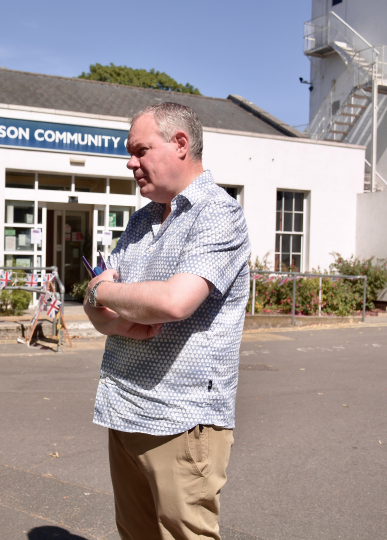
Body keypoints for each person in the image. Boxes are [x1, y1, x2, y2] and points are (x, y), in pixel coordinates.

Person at [84, 103, 251, 540]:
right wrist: (113, 317)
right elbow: (96, 309)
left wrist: (102, 292)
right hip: (124, 407)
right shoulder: (140, 219)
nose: (129, 162)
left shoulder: (218, 213)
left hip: (181, 418)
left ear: (180, 144)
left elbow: (176, 301)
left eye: (140, 150)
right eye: (129, 152)